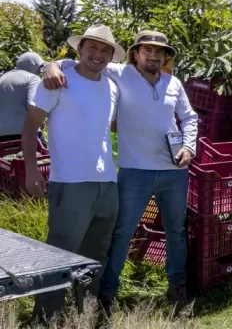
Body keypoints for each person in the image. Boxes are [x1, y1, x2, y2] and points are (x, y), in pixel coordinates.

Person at [41, 30, 198, 313]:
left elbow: (189, 117)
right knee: (122, 232)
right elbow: (79, 62)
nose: (153, 56)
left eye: (159, 52)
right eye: (147, 51)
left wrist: (189, 146)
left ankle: (177, 286)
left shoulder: (172, 82)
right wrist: (50, 65)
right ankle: (107, 293)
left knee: (175, 230)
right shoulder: (120, 73)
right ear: (135, 54)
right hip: (134, 171)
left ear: (165, 58)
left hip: (174, 171)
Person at [21, 24, 122, 322]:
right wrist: (30, 170)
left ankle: (86, 314)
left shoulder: (112, 87)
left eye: (106, 50)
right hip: (70, 182)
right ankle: (45, 318)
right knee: (60, 254)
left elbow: (105, 128)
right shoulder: (56, 82)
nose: (99, 54)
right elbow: (30, 128)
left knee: (96, 257)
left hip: (107, 184)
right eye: (93, 47)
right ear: (80, 49)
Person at [0, 52, 43, 142]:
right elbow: (33, 105)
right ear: (33, 65)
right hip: (25, 132)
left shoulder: (2, 78)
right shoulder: (32, 78)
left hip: (2, 133)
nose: (38, 71)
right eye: (38, 67)